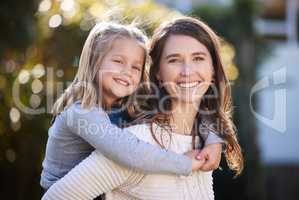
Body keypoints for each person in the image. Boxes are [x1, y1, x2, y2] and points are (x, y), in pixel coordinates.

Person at [41, 16, 243, 200]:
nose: (127, 72)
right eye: (118, 61)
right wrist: (184, 164)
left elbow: (198, 110)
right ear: (94, 63)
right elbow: (128, 151)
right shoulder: (81, 112)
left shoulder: (128, 105)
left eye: (136, 67)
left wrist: (215, 140)